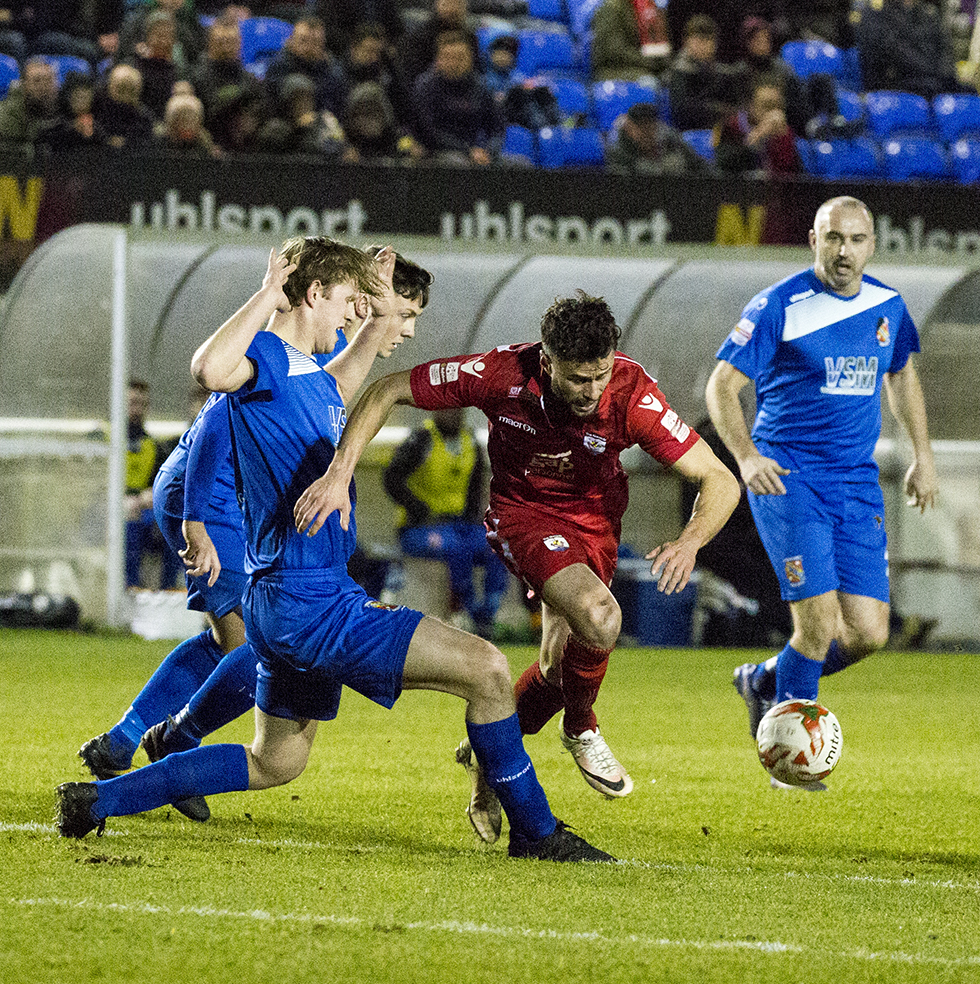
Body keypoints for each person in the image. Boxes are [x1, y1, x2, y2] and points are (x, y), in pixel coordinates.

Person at [57, 239, 614, 863]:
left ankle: (94, 801)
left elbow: (349, 366)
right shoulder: (264, 359)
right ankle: (537, 832)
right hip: (311, 600)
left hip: (290, 599)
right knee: (487, 670)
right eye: (346, 302)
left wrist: (375, 304)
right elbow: (211, 371)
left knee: (276, 761)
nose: (354, 315)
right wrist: (270, 294)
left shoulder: (309, 381)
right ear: (314, 294)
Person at [299, 292, 740, 815]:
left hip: (595, 528)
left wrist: (690, 540)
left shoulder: (631, 393)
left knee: (557, 670)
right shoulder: (500, 373)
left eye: (600, 375)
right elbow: (388, 389)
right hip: (523, 516)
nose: (592, 391)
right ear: (548, 361)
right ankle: (581, 728)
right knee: (601, 617)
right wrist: (338, 472)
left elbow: (719, 479)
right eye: (578, 379)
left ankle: (489, 755)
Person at [78, 252, 438, 822]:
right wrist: (196, 515)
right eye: (402, 313)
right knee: (253, 640)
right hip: (211, 493)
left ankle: (132, 736)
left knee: (236, 640)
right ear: (326, 294)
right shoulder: (270, 354)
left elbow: (332, 392)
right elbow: (219, 409)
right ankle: (176, 737)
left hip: (223, 498)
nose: (404, 328)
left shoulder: (304, 365)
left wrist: (371, 328)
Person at [706, 196, 939, 781]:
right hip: (790, 480)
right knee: (816, 626)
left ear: (872, 244)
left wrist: (923, 457)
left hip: (856, 483)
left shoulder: (888, 304)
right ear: (813, 239)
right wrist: (746, 456)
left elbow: (902, 371)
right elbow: (721, 387)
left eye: (856, 240)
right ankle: (789, 758)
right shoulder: (778, 306)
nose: (844, 251)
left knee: (867, 632)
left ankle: (761, 681)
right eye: (834, 238)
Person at [381, 407, 507, 636]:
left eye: (458, 410)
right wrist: (417, 508)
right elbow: (391, 478)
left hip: (460, 525)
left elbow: (477, 487)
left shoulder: (471, 442)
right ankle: (467, 611)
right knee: (457, 550)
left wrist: (477, 520)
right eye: (447, 409)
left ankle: (487, 613)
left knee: (498, 547)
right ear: (435, 411)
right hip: (420, 527)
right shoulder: (420, 441)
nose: (454, 415)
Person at [855, 0, 964, 100]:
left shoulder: (929, 16)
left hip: (933, 80)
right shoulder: (874, 17)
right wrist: (929, 72)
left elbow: (944, 49)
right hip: (896, 82)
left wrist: (945, 76)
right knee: (927, 89)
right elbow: (892, 51)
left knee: (970, 94)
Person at [120, 379, 181, 590]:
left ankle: (168, 588)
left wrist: (151, 495)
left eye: (142, 404)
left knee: (173, 520)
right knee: (128, 519)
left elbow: (162, 485)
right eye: (131, 402)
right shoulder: (103, 436)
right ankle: (130, 584)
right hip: (104, 513)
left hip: (142, 514)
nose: (136, 410)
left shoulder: (154, 446)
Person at [412, 29, 502, 166]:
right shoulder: (425, 86)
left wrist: (489, 150)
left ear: (470, 59)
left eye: (460, 57)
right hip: (437, 152)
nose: (454, 63)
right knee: (458, 164)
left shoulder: (481, 86)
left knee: (520, 164)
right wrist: (467, 151)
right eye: (448, 57)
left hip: (477, 152)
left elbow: (496, 127)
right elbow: (428, 131)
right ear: (438, 59)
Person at [591, 0, 673, 82]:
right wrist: (649, 62)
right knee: (649, 81)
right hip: (614, 70)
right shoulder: (611, 8)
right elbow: (614, 52)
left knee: (676, 76)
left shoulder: (647, 7)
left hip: (643, 65)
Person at [32, 0, 124, 61]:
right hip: (58, 33)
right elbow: (58, 19)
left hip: (96, 35)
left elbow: (116, 12)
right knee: (89, 51)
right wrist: (97, 38)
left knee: (124, 46)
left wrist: (111, 34)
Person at [263, 17, 349, 118]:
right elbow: (272, 103)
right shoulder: (278, 67)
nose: (308, 47)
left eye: (315, 42)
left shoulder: (333, 70)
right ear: (291, 41)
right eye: (303, 41)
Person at [665, 15, 740, 130]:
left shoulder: (720, 72)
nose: (703, 45)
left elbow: (734, 104)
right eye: (699, 39)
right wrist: (716, 109)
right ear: (686, 41)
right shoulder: (680, 71)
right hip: (689, 132)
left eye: (708, 40)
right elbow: (681, 111)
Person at [0, 56, 64, 149]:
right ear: (25, 85)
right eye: (37, 81)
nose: (43, 86)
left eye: (48, 80)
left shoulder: (64, 106)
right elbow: (3, 148)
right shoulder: (12, 111)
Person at [608, 99, 708, 172]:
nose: (646, 132)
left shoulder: (672, 140)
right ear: (629, 128)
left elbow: (701, 168)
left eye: (650, 126)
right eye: (641, 127)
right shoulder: (618, 148)